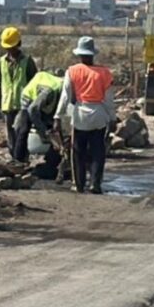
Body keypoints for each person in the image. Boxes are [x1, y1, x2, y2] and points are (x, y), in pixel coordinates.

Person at [54, 36, 115, 195]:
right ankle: (95, 183)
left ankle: (79, 184)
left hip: (80, 113)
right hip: (99, 114)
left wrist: (57, 116)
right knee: (97, 151)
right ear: (92, 54)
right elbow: (109, 99)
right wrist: (112, 118)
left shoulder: (72, 71)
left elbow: (65, 96)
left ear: (79, 55)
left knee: (78, 151)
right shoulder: (104, 73)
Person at [0, 26, 38, 161]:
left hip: (23, 104)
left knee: (21, 133)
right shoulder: (2, 62)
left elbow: (34, 82)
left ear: (18, 44)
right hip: (7, 104)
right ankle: (15, 160)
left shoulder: (27, 61)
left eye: (12, 46)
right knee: (11, 136)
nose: (9, 50)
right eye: (7, 47)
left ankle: (20, 160)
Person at [12, 69, 64, 164]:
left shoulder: (62, 88)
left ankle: (53, 158)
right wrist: (43, 131)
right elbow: (32, 110)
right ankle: (19, 160)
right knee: (24, 129)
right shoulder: (50, 91)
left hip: (43, 103)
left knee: (52, 127)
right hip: (29, 100)